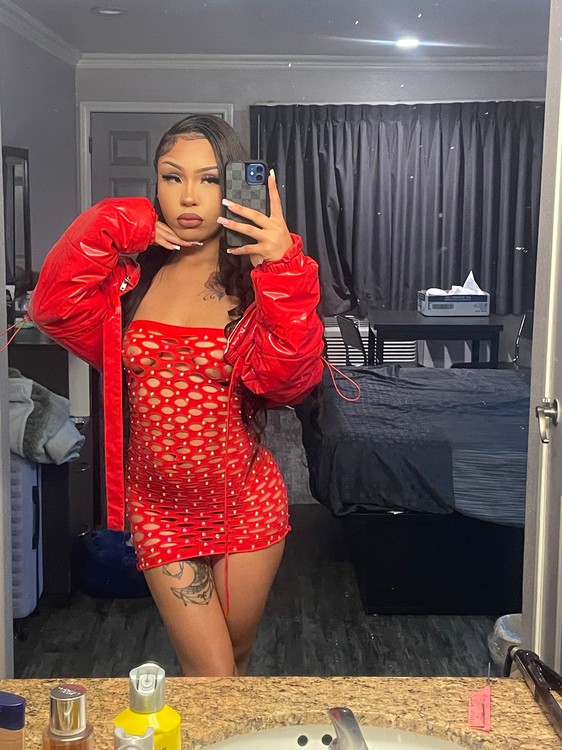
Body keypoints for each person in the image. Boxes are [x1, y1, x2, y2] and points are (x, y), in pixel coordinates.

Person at [29, 114, 324, 676]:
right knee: (212, 677)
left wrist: (282, 269)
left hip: (245, 506)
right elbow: (53, 308)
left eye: (209, 179)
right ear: (156, 184)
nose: (188, 196)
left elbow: (289, 381)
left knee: (233, 664)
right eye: (172, 176)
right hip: (160, 511)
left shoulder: (258, 280)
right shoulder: (132, 277)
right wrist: (115, 221)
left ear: (232, 187)